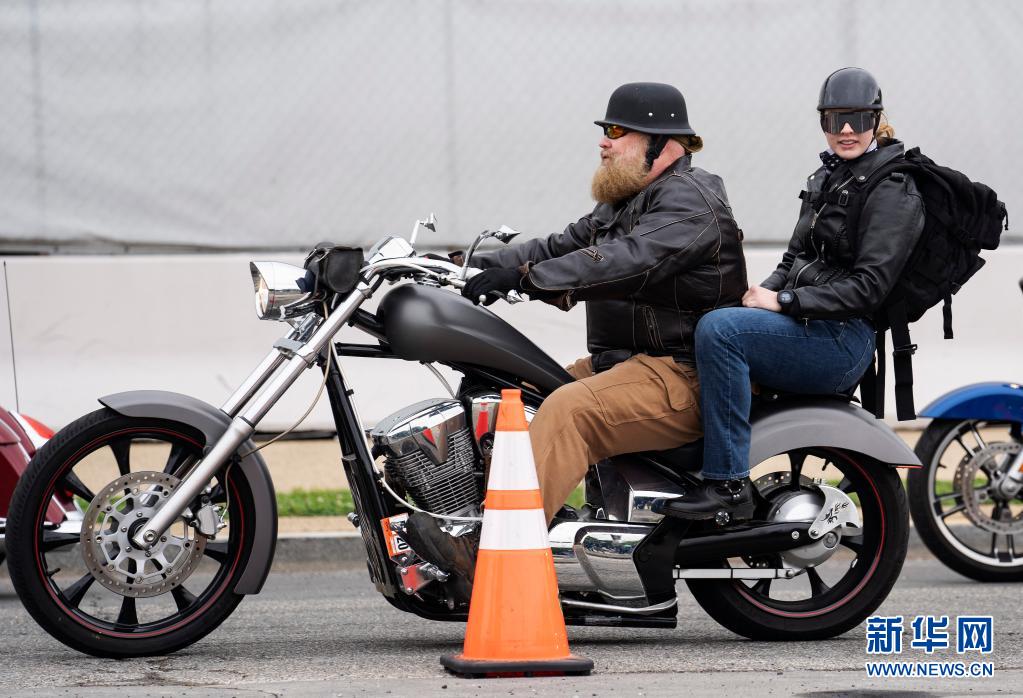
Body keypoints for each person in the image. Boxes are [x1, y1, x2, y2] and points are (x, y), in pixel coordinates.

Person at [460, 81, 748, 524]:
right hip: (622, 366)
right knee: (504, 389)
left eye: (616, 131)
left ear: (660, 143)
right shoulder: (623, 203)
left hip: (680, 374)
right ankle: (466, 520)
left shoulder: (690, 199)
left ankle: (502, 547)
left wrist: (525, 279)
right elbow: (557, 247)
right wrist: (461, 265)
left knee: (569, 412)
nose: (603, 142)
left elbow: (625, 260)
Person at [660, 67, 926, 522]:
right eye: (835, 118)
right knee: (712, 316)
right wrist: (761, 292)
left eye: (859, 118)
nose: (846, 129)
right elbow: (794, 258)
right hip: (807, 325)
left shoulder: (893, 189)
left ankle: (726, 483)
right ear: (823, 121)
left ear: (876, 119)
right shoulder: (829, 176)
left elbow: (869, 288)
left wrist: (785, 302)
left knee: (721, 332)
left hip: (842, 340)